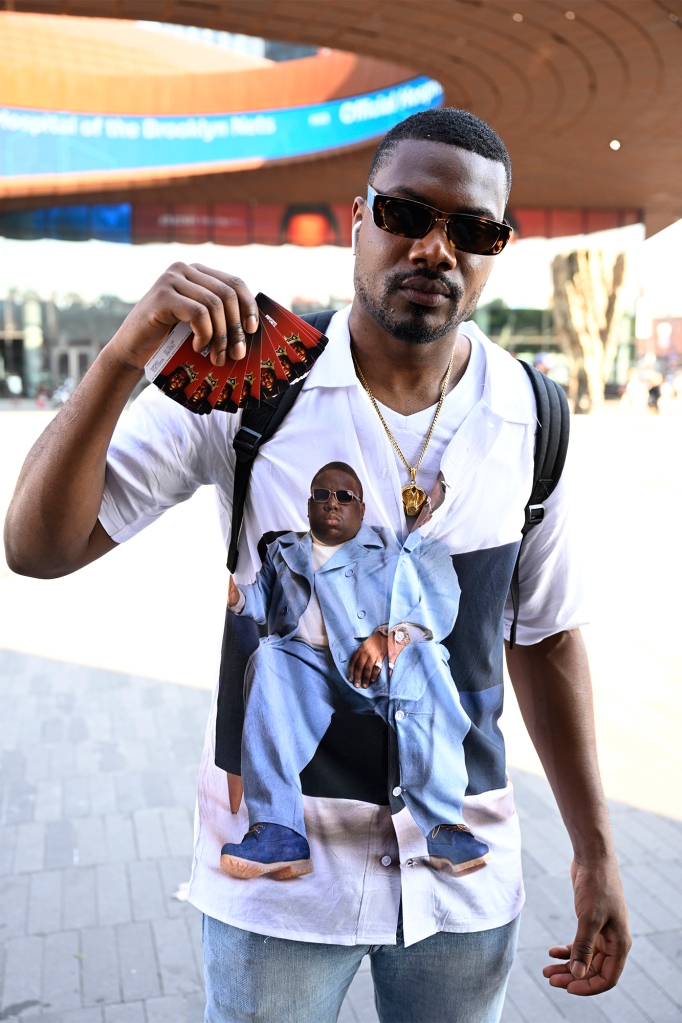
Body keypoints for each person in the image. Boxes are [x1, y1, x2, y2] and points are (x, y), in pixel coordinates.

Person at [4, 107, 630, 1023]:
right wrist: (126, 352)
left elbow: (544, 639)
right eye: (406, 214)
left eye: (472, 231)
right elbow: (36, 546)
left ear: (499, 249)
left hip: (463, 891)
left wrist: (597, 851)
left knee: (425, 683)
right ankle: (274, 816)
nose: (435, 249)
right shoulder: (254, 382)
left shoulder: (534, 417)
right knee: (280, 671)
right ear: (356, 220)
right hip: (280, 902)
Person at [221, 461, 488, 881]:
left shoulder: (385, 548)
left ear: (361, 510)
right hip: (304, 664)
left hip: (369, 662)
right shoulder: (284, 550)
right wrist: (238, 598)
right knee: (268, 656)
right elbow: (261, 604)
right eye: (322, 495)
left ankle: (444, 826)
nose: (332, 503)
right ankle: (279, 830)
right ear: (308, 506)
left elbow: (428, 603)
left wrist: (391, 637)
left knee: (430, 662)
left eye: (344, 497)